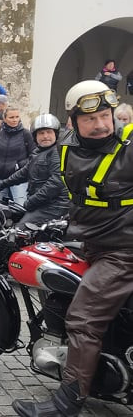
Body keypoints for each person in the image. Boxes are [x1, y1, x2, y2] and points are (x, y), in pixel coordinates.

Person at [12, 80, 133, 417]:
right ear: (73, 121)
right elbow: (73, 196)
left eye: (106, 116)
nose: (101, 124)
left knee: (82, 319)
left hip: (122, 250)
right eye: (91, 119)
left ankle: (68, 401)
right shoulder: (66, 148)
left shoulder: (129, 146)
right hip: (88, 242)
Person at [0, 113, 69, 228]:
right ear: (35, 136)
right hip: (41, 204)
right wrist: (1, 185)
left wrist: (32, 201)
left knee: (19, 231)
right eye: (41, 133)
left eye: (49, 132)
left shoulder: (55, 153)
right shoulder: (39, 152)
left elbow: (56, 181)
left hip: (53, 206)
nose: (45, 136)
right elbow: (24, 172)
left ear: (56, 134)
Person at [0, 106, 35, 204]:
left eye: (17, 117)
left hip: (18, 177)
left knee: (20, 206)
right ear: (4, 118)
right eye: (11, 117)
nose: (14, 120)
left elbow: (33, 155)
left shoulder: (26, 134)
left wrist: (19, 165)